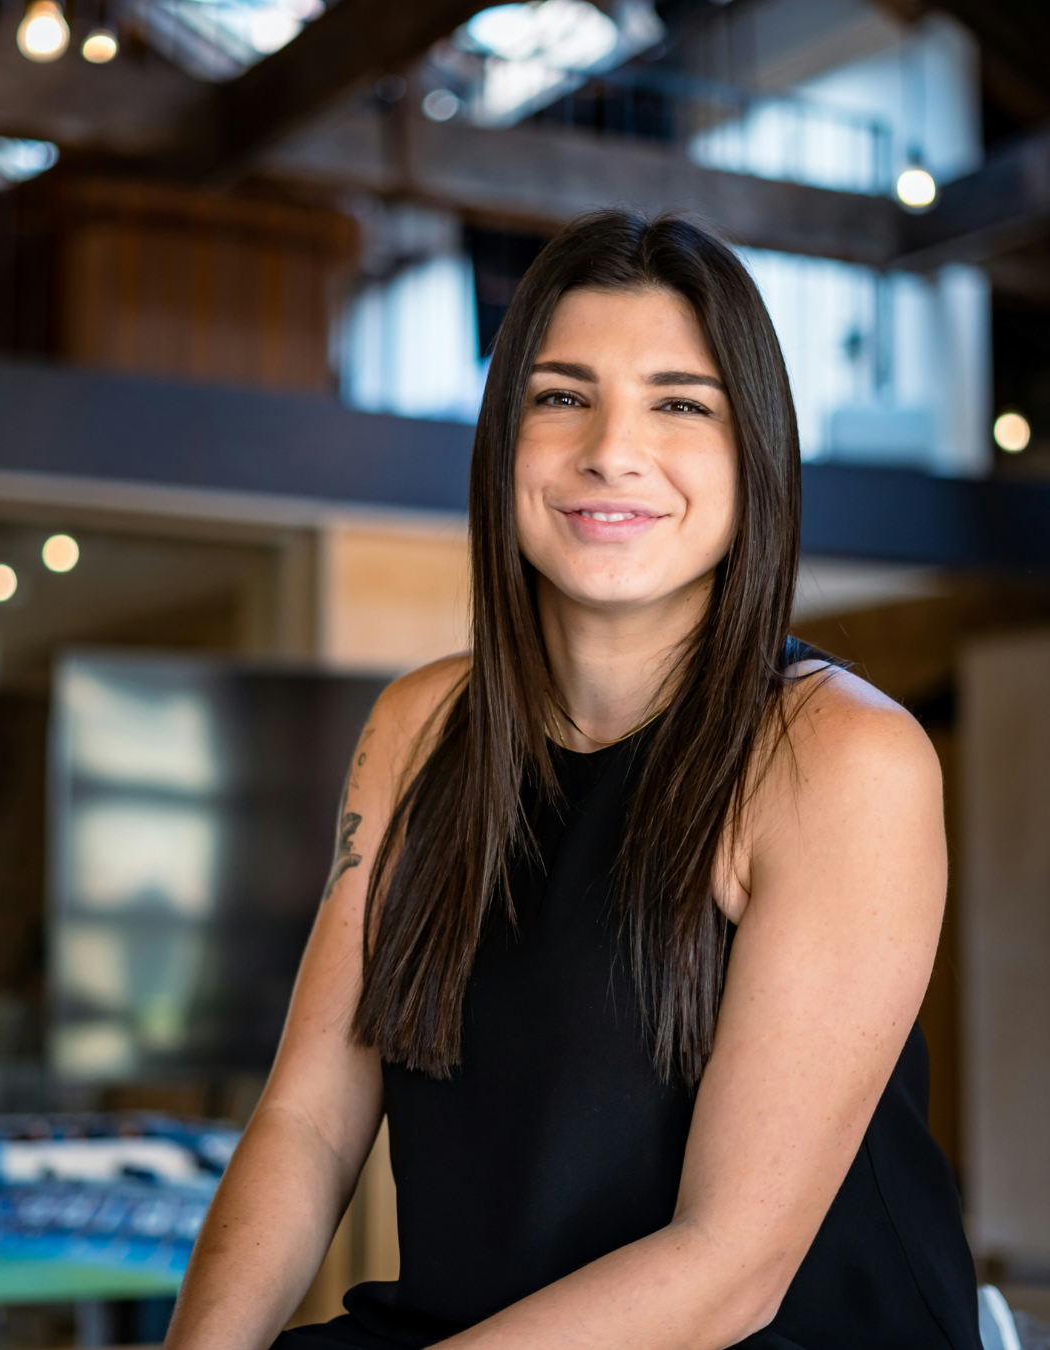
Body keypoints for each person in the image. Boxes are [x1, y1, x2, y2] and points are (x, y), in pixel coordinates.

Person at [165, 212, 980, 1350]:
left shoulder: (841, 757)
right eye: (560, 396)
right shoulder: (420, 725)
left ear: (756, 454)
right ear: (504, 443)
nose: (610, 448)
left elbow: (728, 1266)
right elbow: (308, 1120)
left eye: (680, 402)